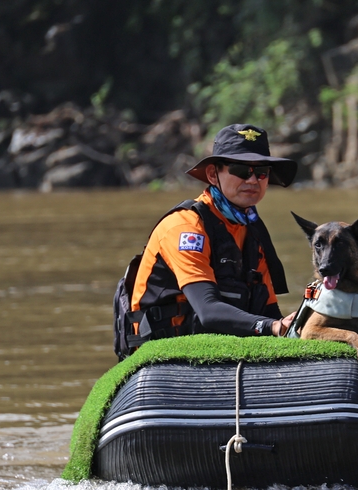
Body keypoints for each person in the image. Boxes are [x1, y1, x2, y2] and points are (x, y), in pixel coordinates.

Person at [126, 124, 298, 352]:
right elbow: (208, 311)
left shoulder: (254, 231)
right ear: (212, 174)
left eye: (262, 172)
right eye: (241, 170)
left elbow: (269, 313)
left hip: (225, 350)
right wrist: (273, 327)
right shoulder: (186, 227)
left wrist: (293, 324)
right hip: (163, 354)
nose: (253, 180)